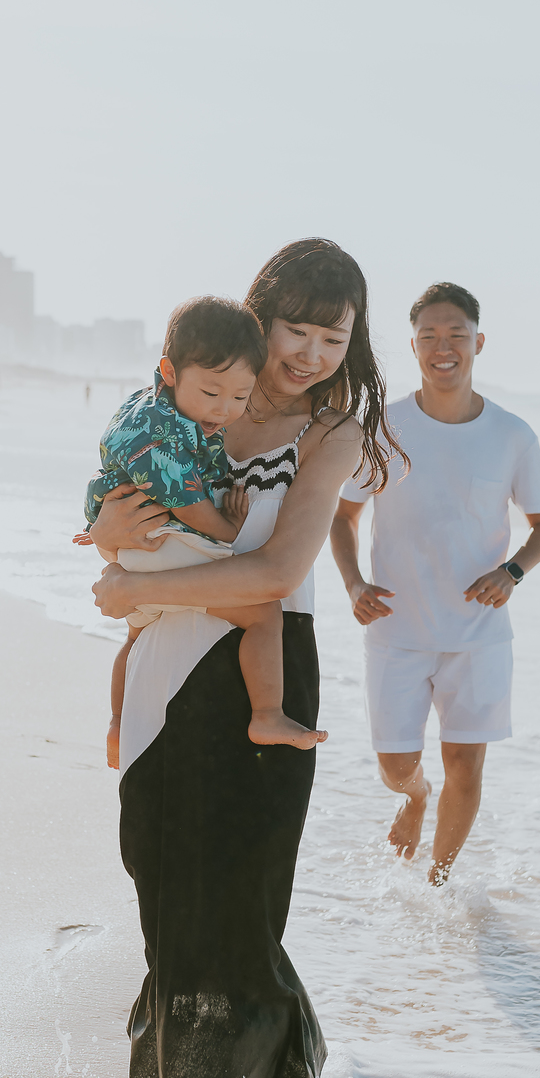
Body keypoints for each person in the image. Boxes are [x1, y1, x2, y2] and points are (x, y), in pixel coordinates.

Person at [88, 239, 396, 1078]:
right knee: (160, 874)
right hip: (162, 664)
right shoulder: (196, 398)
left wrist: (126, 589)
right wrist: (105, 543)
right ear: (257, 317)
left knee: (242, 896)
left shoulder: (333, 432)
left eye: (331, 337)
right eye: (293, 330)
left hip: (264, 670)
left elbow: (276, 569)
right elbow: (123, 508)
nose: (308, 353)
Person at [329, 281, 540, 886]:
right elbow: (342, 516)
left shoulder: (512, 435)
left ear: (478, 342)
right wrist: (353, 585)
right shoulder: (383, 426)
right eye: (429, 336)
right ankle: (414, 798)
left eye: (456, 334)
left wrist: (512, 573)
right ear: (413, 347)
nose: (443, 346)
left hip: (479, 636)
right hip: (397, 630)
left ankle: (439, 883)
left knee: (466, 763)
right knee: (395, 766)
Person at [84, 297, 328, 768]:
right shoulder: (159, 429)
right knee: (262, 614)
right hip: (161, 544)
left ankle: (116, 724)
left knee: (136, 638)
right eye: (213, 394)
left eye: (240, 397)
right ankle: (268, 714)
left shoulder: (148, 406)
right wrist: (228, 531)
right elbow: (187, 502)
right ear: (169, 372)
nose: (225, 410)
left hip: (140, 548)